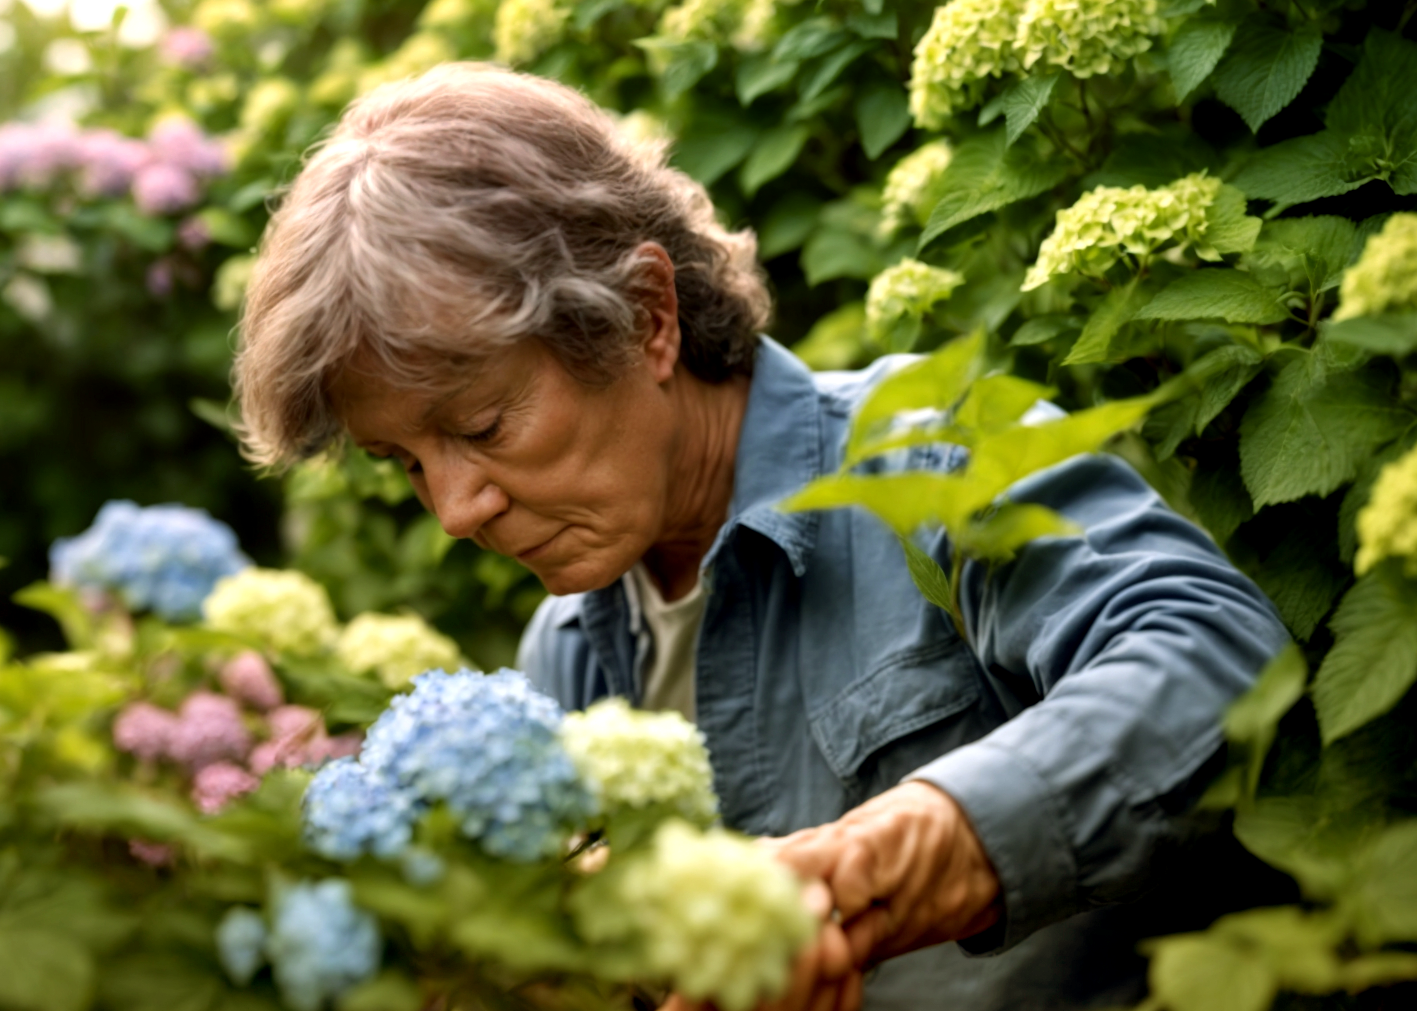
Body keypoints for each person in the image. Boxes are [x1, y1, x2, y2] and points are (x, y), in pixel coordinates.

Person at [233, 63, 1287, 1011]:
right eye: (407, 463)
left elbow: (1216, 656)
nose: (456, 508)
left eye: (480, 426)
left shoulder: (937, 459)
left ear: (647, 314)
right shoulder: (565, 658)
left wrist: (869, 867)